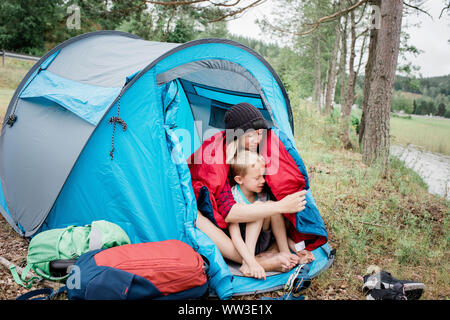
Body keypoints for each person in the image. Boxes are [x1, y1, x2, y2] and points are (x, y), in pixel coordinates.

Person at [191, 102, 311, 274]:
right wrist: (281, 206)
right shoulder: (220, 158)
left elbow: (275, 197)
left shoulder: (260, 154)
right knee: (194, 216)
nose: (257, 140)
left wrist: (296, 243)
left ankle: (272, 253)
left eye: (260, 133)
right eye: (250, 136)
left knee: (272, 204)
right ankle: (255, 262)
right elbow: (229, 213)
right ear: (236, 135)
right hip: (228, 227)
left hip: (259, 229)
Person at [228, 150, 299, 279]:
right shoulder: (233, 197)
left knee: (272, 206)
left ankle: (285, 252)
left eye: (263, 176)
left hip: (264, 241)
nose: (262, 181)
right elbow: (236, 237)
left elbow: (278, 223)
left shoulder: (261, 193)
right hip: (245, 248)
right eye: (257, 178)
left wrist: (296, 247)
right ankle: (249, 263)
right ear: (239, 179)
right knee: (259, 207)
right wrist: (250, 261)